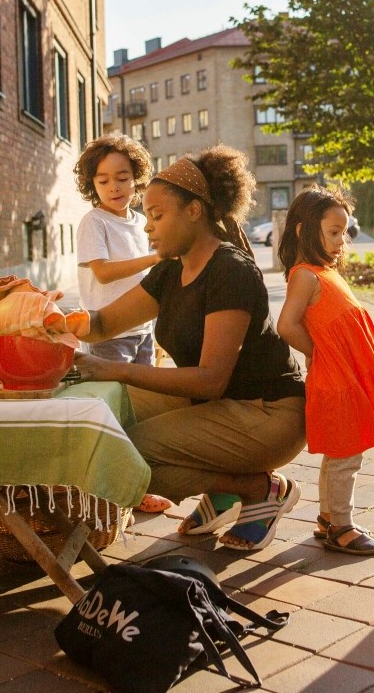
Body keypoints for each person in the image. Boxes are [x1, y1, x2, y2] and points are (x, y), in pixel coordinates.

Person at [71, 146, 306, 551]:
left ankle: (256, 488)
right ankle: (224, 490)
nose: (147, 227)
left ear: (194, 211)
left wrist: (115, 369)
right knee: (109, 413)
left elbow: (211, 380)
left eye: (158, 216)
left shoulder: (230, 271)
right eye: (147, 216)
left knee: (126, 449)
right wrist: (52, 320)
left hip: (267, 413)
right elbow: (103, 323)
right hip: (217, 406)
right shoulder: (170, 270)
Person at [276, 187, 374, 556]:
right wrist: (318, 352)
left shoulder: (324, 272)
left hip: (346, 375)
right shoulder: (305, 275)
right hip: (336, 378)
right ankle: (341, 524)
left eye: (345, 231)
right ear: (304, 230)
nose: (343, 240)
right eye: (334, 232)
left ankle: (328, 519)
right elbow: (286, 326)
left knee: (341, 453)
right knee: (346, 454)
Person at [72, 134, 173, 515]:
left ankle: (134, 488)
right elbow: (103, 272)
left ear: (137, 178)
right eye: (103, 180)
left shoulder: (140, 221)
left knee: (139, 412)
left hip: (142, 331)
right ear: (91, 184)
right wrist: (154, 259)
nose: (114, 187)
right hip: (106, 335)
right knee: (110, 414)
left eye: (123, 177)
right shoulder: (92, 222)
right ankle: (105, 492)